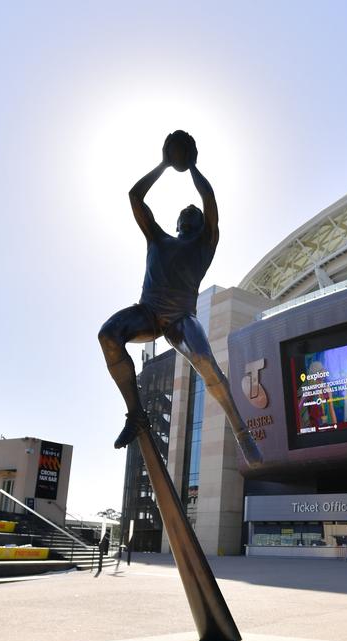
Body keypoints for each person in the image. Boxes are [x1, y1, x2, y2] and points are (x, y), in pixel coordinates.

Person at [97, 132, 262, 467]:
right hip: (147, 312)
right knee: (108, 335)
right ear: (177, 222)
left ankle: (242, 432)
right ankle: (135, 415)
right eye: (185, 210)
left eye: (194, 212)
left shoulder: (205, 243)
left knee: (205, 361)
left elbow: (210, 199)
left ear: (201, 224)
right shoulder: (158, 238)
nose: (190, 210)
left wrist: (192, 168)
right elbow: (134, 196)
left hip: (180, 319)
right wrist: (163, 164)